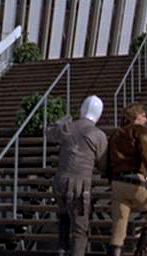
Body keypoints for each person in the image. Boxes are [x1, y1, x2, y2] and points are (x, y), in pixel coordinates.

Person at [46, 95, 108, 256]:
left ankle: (61, 251)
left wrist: (63, 120)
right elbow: (103, 165)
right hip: (80, 185)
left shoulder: (67, 127)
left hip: (60, 181)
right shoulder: (98, 134)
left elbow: (49, 133)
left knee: (64, 221)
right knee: (80, 230)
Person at [107, 103, 147, 256]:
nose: (146, 119)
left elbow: (108, 160)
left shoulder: (115, 134)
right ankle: (140, 253)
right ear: (136, 117)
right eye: (144, 115)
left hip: (117, 182)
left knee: (119, 227)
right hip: (135, 181)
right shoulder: (140, 131)